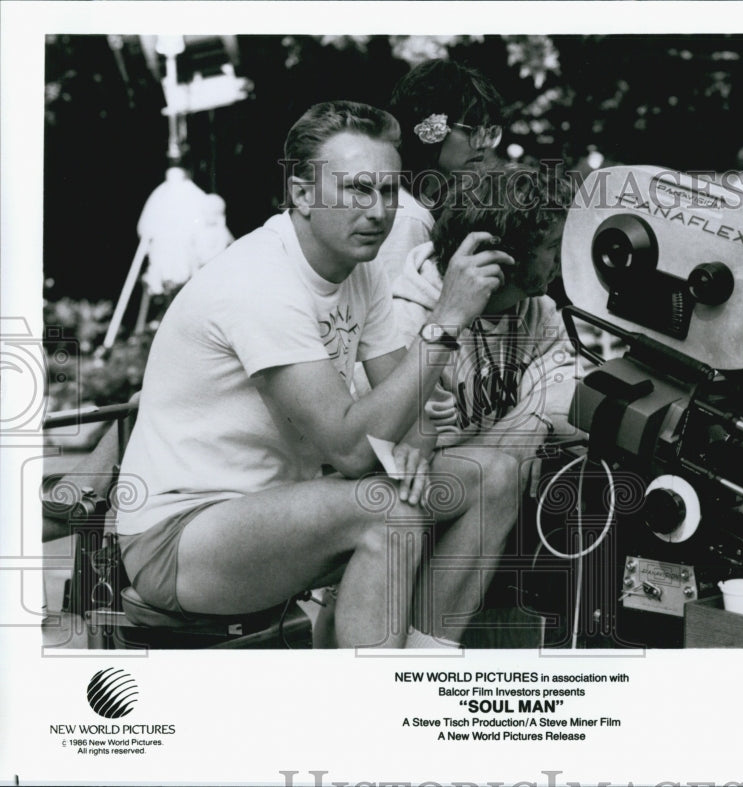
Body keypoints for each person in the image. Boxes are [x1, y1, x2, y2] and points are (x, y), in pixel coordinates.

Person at [114, 100, 520, 649]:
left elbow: (413, 410)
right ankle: (371, 711)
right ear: (302, 193)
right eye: (357, 189)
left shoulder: (363, 271)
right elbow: (355, 448)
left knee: (494, 475)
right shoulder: (260, 282)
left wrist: (417, 446)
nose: (377, 210)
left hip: (281, 512)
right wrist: (446, 319)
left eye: (388, 190)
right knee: (389, 510)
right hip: (181, 538)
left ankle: (425, 668)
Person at [392, 165, 577, 470]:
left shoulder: (537, 309)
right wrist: (512, 437)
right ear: (503, 252)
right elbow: (425, 457)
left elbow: (569, 383)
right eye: (554, 246)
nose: (563, 257)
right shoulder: (408, 323)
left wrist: (534, 418)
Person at [370, 59, 506, 283]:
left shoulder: (424, 204)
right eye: (473, 129)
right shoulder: (409, 216)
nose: (483, 143)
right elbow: (396, 310)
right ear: (432, 128)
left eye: (489, 130)